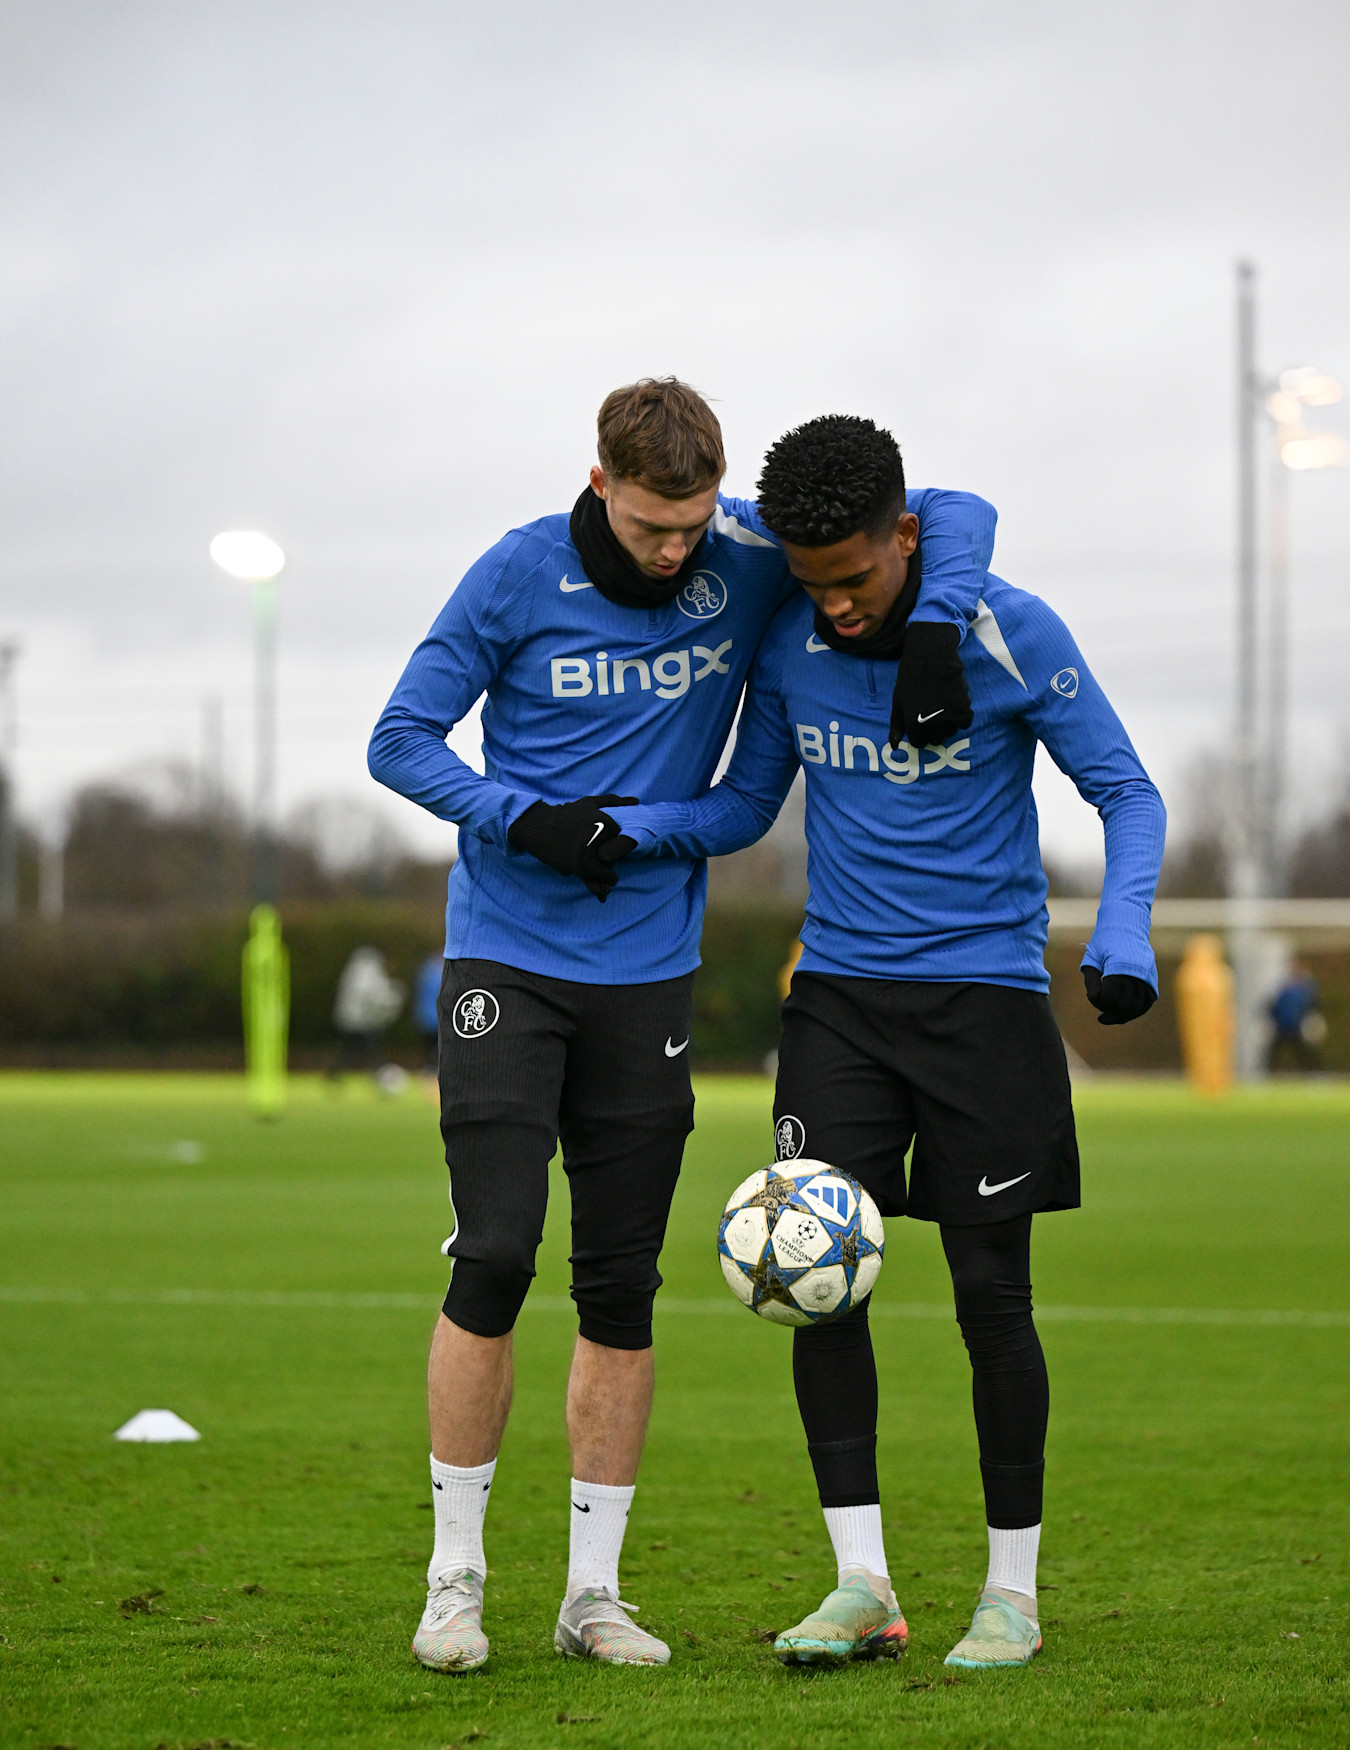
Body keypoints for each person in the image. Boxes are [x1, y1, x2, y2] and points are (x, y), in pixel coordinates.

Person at [367, 380, 1000, 1671]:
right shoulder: (513, 574)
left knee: (619, 1281)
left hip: (647, 971)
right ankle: (455, 1581)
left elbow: (952, 511)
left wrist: (931, 628)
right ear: (600, 484)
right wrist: (515, 813)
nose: (677, 550)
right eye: (656, 526)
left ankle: (591, 1594)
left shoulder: (747, 551)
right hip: (506, 952)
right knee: (491, 1252)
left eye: (694, 524)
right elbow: (398, 739)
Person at [601, 415, 1166, 1672]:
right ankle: (860, 1582)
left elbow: (1125, 789)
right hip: (841, 1001)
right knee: (815, 1285)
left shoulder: (1008, 629)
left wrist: (1118, 935)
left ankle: (1008, 1594)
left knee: (990, 1301)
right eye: (812, 587)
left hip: (984, 1005)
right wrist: (617, 828)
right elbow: (750, 802)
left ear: (905, 537)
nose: (833, 607)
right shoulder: (791, 633)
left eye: (854, 579)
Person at [329, 945, 405, 1078]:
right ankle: (379, 1074)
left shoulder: (355, 969)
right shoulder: (368, 970)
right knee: (369, 1049)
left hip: (352, 1019)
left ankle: (335, 1075)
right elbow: (372, 994)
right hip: (361, 1021)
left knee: (350, 1050)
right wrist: (393, 994)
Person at [1267, 958, 1324, 1073]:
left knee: (1303, 1052)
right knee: (1276, 1051)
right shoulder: (1285, 986)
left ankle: (1312, 1071)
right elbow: (1277, 1004)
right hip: (1283, 1024)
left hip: (1297, 1025)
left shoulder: (1307, 987)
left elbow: (1312, 1005)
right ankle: (1270, 1072)